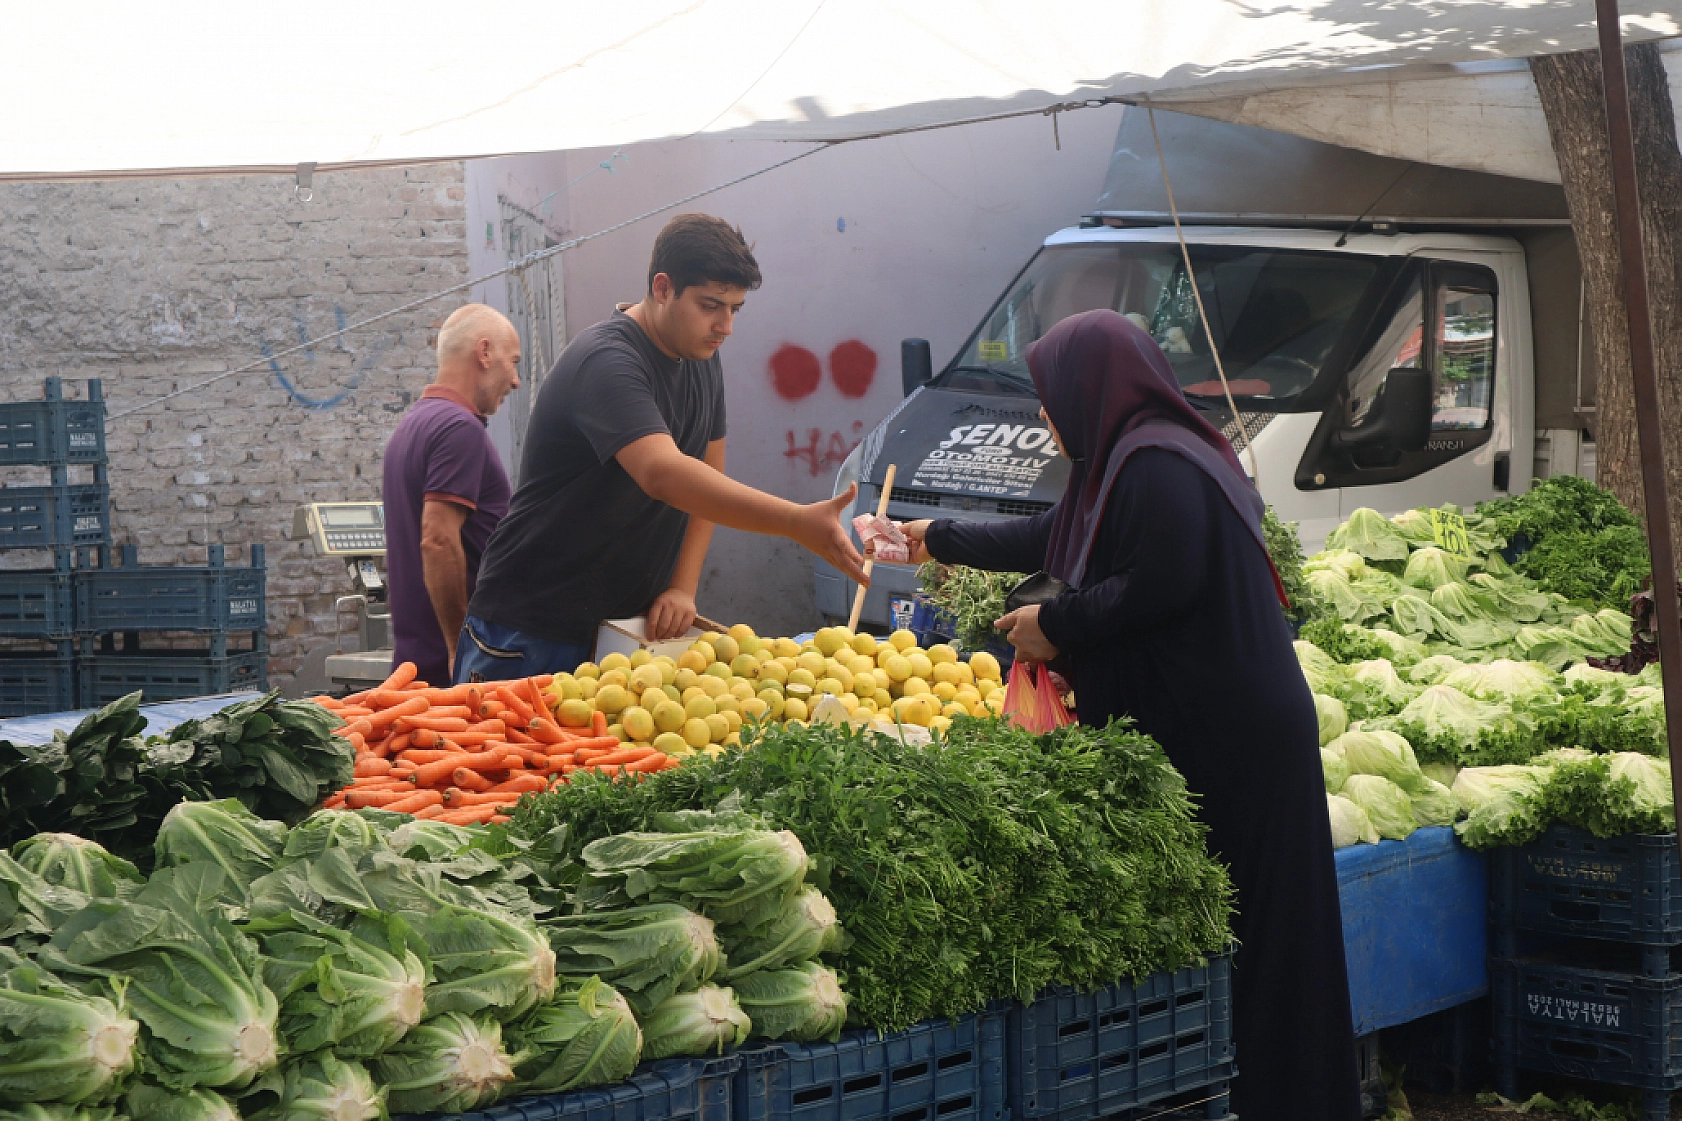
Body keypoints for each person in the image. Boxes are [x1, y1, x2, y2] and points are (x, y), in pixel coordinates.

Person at [903, 310, 1360, 1121]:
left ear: (1090, 389)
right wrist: (936, 536)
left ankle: (1289, 1101)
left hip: (1240, 735)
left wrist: (1058, 626)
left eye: (1049, 395)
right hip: (1214, 723)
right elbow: (1059, 536)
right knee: (1238, 930)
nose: (1043, 414)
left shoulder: (1157, 460)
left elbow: (1164, 582)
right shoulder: (1119, 458)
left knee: (1268, 936)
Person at [459, 214, 866, 682]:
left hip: (621, 634)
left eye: (735, 308)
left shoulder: (702, 357)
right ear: (662, 287)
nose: (725, 326)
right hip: (528, 629)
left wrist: (683, 587)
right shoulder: (608, 361)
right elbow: (664, 474)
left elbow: (708, 477)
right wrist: (795, 521)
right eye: (711, 305)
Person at [381, 304, 520, 686]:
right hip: (450, 675)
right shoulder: (459, 429)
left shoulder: (412, 426)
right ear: (485, 352)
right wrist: (460, 648)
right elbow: (438, 540)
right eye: (514, 362)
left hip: (416, 665)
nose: (516, 380)